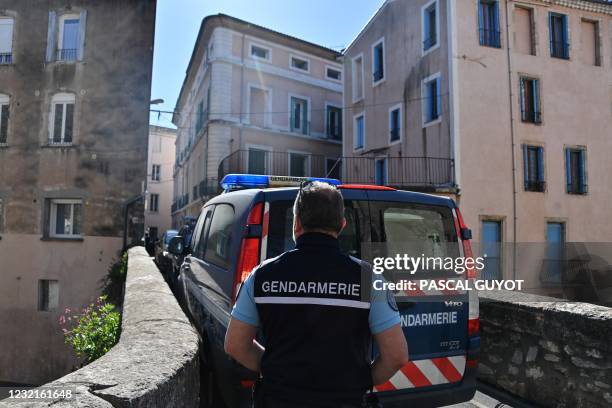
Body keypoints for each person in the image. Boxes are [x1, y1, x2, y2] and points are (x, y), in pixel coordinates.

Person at [224, 181, 408, 408]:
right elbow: (397, 356)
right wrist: (356, 381)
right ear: (341, 225)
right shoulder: (368, 278)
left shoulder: (261, 275)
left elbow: (235, 345)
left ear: (297, 222)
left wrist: (277, 369)